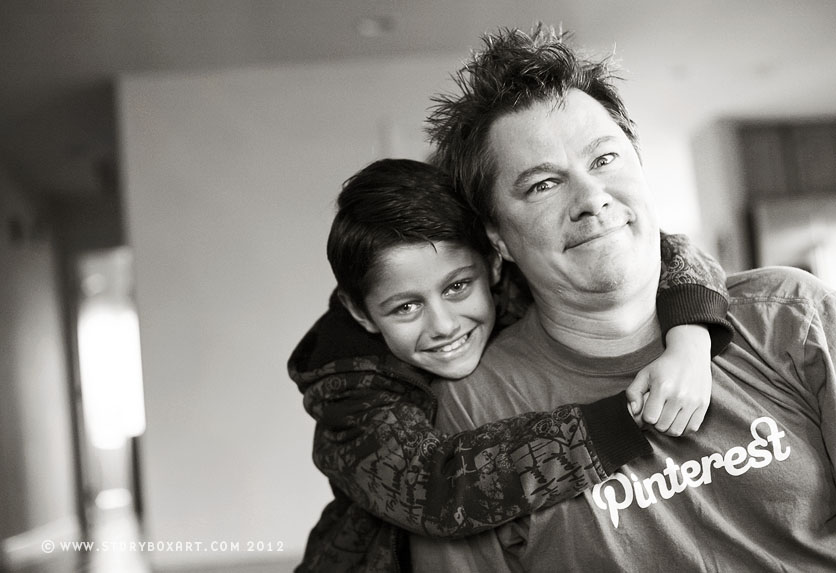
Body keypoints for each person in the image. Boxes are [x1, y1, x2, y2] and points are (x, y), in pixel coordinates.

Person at [412, 24, 836, 571]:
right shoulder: (473, 409)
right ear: (498, 240)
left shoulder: (791, 315)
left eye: (604, 159)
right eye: (543, 184)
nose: (591, 198)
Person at [289, 158, 734, 572]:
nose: (443, 324)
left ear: (494, 264)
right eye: (405, 307)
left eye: (458, 286)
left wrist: (690, 342)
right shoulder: (347, 391)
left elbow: (667, 251)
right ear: (360, 312)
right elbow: (437, 491)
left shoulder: (522, 279)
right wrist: (618, 420)